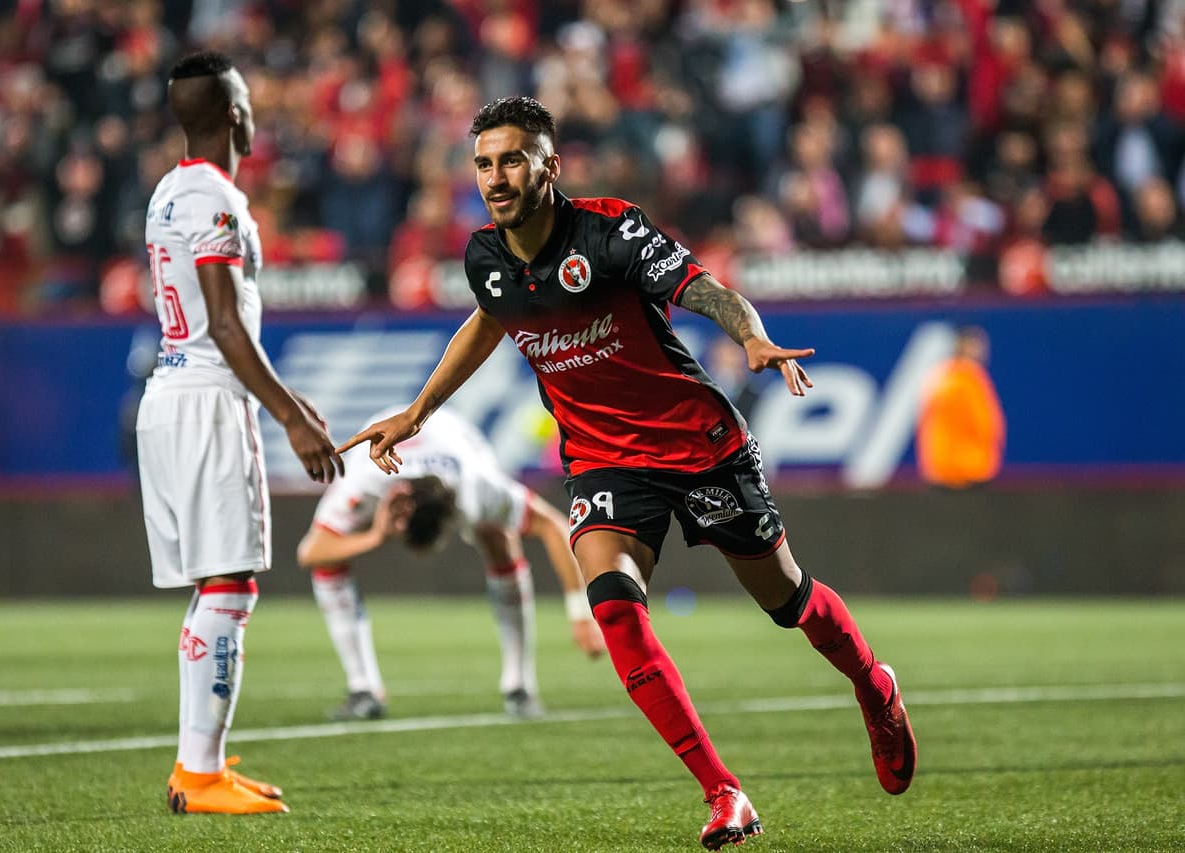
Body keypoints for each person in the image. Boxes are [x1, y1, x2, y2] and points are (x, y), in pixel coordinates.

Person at [339, 97, 916, 850]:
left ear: (550, 165)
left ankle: (874, 685)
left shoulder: (608, 230)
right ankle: (723, 792)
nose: (495, 177)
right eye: (483, 163)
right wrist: (416, 412)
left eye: (512, 159)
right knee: (613, 605)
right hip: (603, 458)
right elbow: (490, 316)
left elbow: (704, 287)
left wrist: (753, 336)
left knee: (789, 601)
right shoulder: (485, 255)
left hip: (695, 444)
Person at [138, 51, 342, 816]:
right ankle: (197, 773)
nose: (256, 112)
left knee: (216, 582)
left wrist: (290, 404)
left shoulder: (169, 190)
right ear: (232, 111)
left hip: (172, 388)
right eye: (248, 99)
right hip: (207, 398)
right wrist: (289, 415)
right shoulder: (215, 199)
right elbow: (224, 322)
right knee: (230, 583)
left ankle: (204, 761)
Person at [295, 407, 605, 721]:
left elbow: (553, 526)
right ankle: (364, 689)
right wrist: (374, 536)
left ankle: (519, 685)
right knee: (329, 560)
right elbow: (310, 553)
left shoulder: (476, 487)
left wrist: (581, 614)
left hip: (457, 438)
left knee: (498, 539)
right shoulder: (363, 481)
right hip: (398, 446)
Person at [916, 325, 1005, 489]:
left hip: (946, 468)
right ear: (964, 346)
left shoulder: (943, 375)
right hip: (965, 470)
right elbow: (982, 422)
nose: (983, 350)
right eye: (977, 345)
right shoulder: (965, 378)